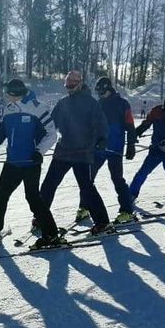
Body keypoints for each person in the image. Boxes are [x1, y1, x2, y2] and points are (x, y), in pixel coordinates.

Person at [0, 78, 63, 249]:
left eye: (7, 93)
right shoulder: (8, 110)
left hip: (31, 164)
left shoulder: (38, 108)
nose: (5, 96)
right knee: (1, 196)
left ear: (14, 94)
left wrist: (39, 152)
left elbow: (51, 134)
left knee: (33, 198)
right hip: (12, 163)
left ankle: (51, 234)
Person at [38, 70, 113, 234]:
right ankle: (41, 216)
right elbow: (51, 124)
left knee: (86, 188)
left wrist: (102, 139)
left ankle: (102, 222)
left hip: (82, 152)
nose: (70, 87)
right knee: (49, 184)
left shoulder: (91, 103)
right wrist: (38, 134)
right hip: (63, 150)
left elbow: (101, 123)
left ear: (79, 84)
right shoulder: (63, 102)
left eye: (73, 84)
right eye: (68, 85)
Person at [75, 76, 136, 224]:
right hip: (98, 148)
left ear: (108, 89)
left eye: (102, 92)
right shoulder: (97, 104)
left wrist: (131, 144)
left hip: (115, 148)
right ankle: (85, 207)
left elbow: (130, 125)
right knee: (87, 179)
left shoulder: (122, 104)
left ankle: (127, 211)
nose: (100, 95)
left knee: (117, 179)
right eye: (98, 93)